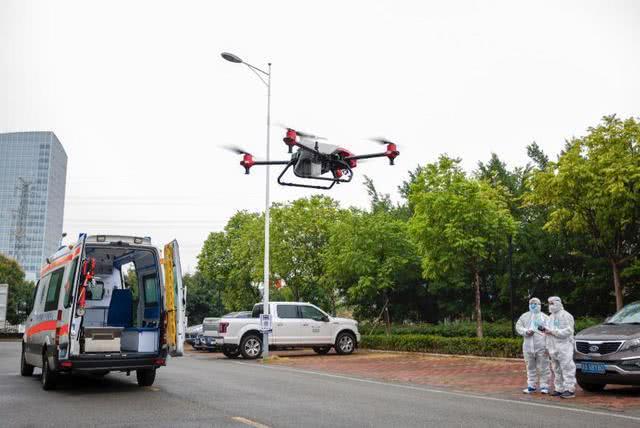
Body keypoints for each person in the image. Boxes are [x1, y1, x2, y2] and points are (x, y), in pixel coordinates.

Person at [542, 296, 576, 399]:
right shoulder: (551, 317)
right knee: (556, 369)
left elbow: (568, 331)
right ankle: (559, 389)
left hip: (564, 346)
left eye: (552, 303)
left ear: (558, 303)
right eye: (549, 304)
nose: (550, 306)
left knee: (567, 367)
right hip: (553, 347)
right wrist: (547, 347)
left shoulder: (566, 315)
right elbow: (548, 333)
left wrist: (552, 332)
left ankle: (570, 389)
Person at [515, 297, 550, 394]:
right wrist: (526, 331)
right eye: (531, 303)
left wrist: (548, 347)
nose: (533, 305)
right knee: (530, 367)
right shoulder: (524, 316)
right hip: (527, 346)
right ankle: (531, 386)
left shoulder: (545, 317)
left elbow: (549, 331)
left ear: (539, 305)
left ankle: (544, 386)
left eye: (535, 304)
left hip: (541, 346)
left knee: (544, 366)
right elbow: (518, 327)